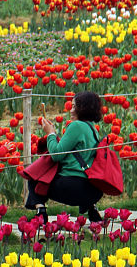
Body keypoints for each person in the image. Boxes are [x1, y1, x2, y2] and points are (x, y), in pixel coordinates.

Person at [25, 91, 104, 224]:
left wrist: (50, 134)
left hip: (73, 187)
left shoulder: (76, 126)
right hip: (93, 190)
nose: (71, 110)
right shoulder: (92, 129)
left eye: (74, 107)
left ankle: (41, 213)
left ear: (83, 108)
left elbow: (56, 154)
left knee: (35, 175)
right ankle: (92, 209)